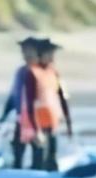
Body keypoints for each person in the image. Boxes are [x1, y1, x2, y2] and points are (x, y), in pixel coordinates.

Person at [29, 38, 72, 171]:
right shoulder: (31, 73)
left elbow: (61, 97)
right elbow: (27, 101)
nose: (53, 57)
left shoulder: (54, 73)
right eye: (50, 53)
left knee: (52, 155)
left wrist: (68, 121)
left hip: (51, 121)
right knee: (38, 156)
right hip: (37, 122)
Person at [0, 37, 41, 169]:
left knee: (39, 154)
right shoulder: (20, 72)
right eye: (23, 50)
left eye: (28, 50)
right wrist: (4, 116)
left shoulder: (41, 72)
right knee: (17, 151)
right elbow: (13, 96)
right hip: (22, 119)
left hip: (39, 121)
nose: (25, 53)